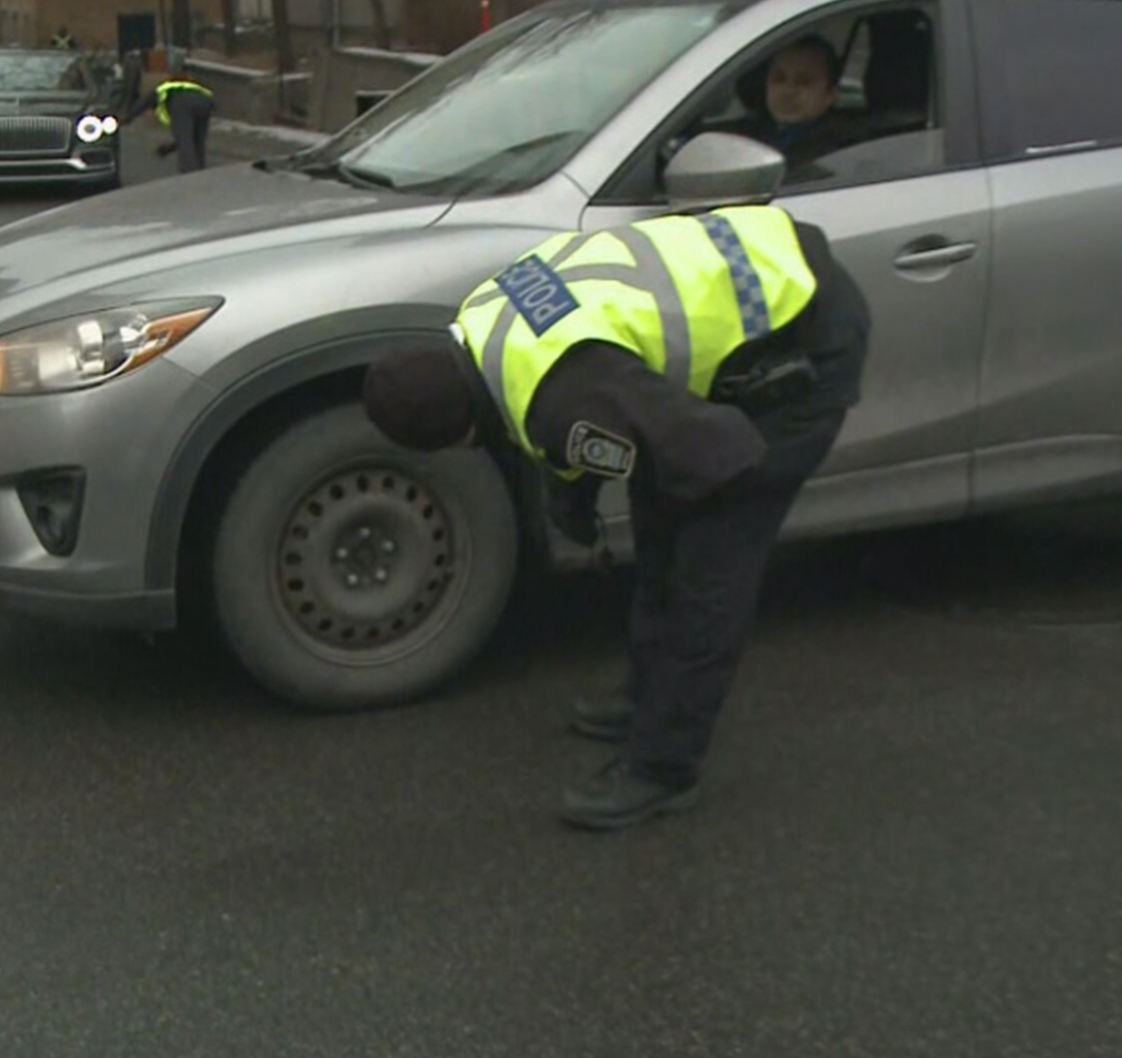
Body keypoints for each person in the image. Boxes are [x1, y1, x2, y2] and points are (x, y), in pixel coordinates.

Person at [360, 143, 870, 832]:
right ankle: (646, 695)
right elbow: (607, 418)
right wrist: (592, 491)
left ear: (457, 436)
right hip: (762, 270)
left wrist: (713, 512)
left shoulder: (561, 393)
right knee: (659, 522)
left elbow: (715, 452)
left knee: (705, 573)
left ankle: (663, 768)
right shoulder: (483, 314)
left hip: (803, 337)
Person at [734, 35, 862, 169]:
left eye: (803, 82)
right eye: (779, 79)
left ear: (830, 95)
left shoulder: (839, 151)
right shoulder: (750, 134)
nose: (788, 92)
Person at [148, 52, 214, 173]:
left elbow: (184, 138)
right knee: (198, 142)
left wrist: (125, 119)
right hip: (205, 105)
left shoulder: (169, 95)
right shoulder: (193, 84)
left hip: (184, 105)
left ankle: (190, 175)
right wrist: (169, 148)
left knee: (187, 149)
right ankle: (200, 172)